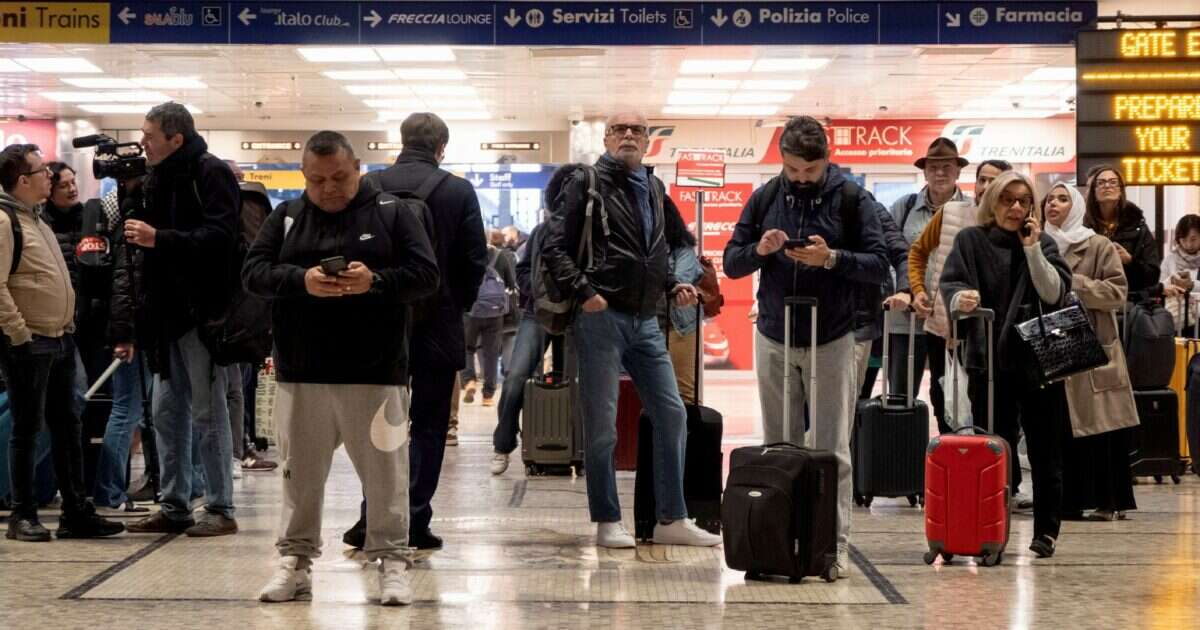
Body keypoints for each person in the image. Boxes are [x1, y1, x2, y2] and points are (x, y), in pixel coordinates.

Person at [246, 131, 438, 605]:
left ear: (358, 168)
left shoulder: (395, 213)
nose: (329, 188)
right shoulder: (286, 216)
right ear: (303, 177)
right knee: (299, 477)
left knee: (386, 477)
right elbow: (253, 273)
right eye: (316, 180)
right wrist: (301, 280)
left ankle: (392, 560)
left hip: (376, 373)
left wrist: (375, 282)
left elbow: (427, 275)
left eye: (339, 177)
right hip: (302, 372)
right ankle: (295, 561)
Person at [543, 110, 722, 549]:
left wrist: (671, 284)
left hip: (645, 320)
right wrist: (585, 291)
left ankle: (670, 518)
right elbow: (553, 246)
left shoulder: (654, 188)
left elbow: (656, 249)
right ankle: (607, 519)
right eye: (619, 130)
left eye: (637, 130)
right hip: (600, 318)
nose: (628, 136)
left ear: (647, 140)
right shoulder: (586, 184)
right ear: (606, 139)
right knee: (603, 425)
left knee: (672, 412)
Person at [724, 116, 889, 575]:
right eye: (793, 170)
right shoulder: (764, 198)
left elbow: (879, 264)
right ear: (782, 161)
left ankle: (830, 547)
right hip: (775, 333)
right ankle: (776, 542)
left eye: (809, 172)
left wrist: (831, 258)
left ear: (827, 161)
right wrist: (760, 249)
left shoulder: (854, 199)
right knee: (778, 446)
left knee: (832, 447)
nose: (800, 180)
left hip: (832, 336)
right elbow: (731, 262)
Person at [343, 112, 488, 555]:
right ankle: (415, 518)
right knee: (428, 425)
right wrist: (454, 306)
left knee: (377, 423)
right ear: (442, 147)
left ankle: (373, 515)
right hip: (438, 323)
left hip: (376, 322)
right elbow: (474, 260)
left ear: (400, 142)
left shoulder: (371, 186)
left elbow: (350, 246)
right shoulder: (459, 191)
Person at [121, 102, 241, 538]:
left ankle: (221, 506)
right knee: (166, 414)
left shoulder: (209, 173)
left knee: (209, 416)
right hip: (162, 317)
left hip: (200, 315)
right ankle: (173, 504)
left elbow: (222, 237)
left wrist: (161, 238)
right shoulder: (156, 179)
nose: (143, 143)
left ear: (176, 138)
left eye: (150, 136)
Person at [939, 170, 1072, 558]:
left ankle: (1046, 532)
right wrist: (959, 298)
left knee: (1046, 451)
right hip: (990, 365)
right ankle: (988, 528)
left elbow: (1055, 292)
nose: (1015, 208)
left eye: (1023, 201)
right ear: (991, 201)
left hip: (1041, 363)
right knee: (992, 451)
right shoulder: (970, 241)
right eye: (1007, 199)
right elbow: (950, 286)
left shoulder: (1043, 243)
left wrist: (1032, 249)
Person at [0, 143, 124, 541]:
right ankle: (22, 515)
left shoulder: (37, 219)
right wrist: (19, 333)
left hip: (59, 339)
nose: (49, 177)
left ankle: (76, 510)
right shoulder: (6, 222)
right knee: (27, 428)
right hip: (30, 342)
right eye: (42, 172)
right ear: (23, 180)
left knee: (67, 427)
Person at [1042, 182, 1139, 522]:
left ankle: (1105, 499)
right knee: (1061, 429)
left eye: (1062, 198)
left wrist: (1075, 284)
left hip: (1095, 349)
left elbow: (1116, 293)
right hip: (1054, 347)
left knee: (1100, 426)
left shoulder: (1097, 245)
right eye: (1049, 198)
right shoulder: (1035, 245)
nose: (1053, 203)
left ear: (1078, 205)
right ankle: (1066, 501)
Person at [894, 159, 1013, 434]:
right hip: (944, 326)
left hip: (992, 331)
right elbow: (918, 252)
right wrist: (919, 290)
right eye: (982, 179)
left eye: (993, 180)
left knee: (990, 405)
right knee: (945, 399)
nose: (985, 186)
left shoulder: (1013, 221)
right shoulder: (951, 212)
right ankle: (953, 465)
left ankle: (993, 468)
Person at [885, 138, 971, 438]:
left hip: (951, 324)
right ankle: (902, 463)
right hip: (905, 320)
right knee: (900, 395)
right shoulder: (903, 207)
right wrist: (907, 292)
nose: (940, 173)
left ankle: (952, 450)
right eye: (933, 167)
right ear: (924, 173)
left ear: (958, 171)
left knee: (948, 390)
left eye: (947, 166)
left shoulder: (971, 210)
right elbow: (893, 255)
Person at [491, 217, 553, 475]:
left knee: (585, 382)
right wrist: (538, 292)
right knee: (516, 376)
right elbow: (523, 269)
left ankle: (581, 448)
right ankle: (502, 445)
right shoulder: (544, 231)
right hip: (538, 311)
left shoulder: (595, 228)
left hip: (581, 313)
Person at [1083, 166, 1161, 299]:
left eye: (1113, 182)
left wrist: (1129, 261)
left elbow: (1152, 275)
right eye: (1101, 183)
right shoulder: (1082, 227)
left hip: (1129, 302)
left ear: (1120, 191)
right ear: (1093, 192)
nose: (1107, 186)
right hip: (1092, 298)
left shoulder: (1138, 226)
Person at [462, 241, 517, 407]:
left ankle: (469, 380)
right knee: (491, 353)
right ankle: (488, 395)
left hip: (471, 310)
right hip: (495, 312)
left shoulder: (467, 255)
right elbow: (511, 283)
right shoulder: (501, 256)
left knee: (467, 348)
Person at [1161, 214, 1200, 332]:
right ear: (1178, 239)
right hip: (1176, 318)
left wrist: (1191, 285)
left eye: (1193, 239)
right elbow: (1160, 285)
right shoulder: (1170, 260)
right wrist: (1171, 282)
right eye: (1184, 240)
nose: (1188, 244)